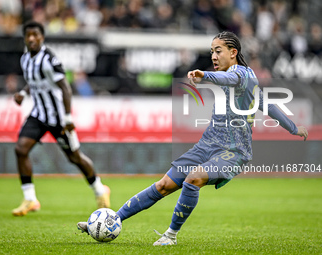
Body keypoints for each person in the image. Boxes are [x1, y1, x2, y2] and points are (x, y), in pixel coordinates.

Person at [77, 31, 308, 245]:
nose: (214, 56)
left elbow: (238, 85)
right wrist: (293, 127)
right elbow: (264, 103)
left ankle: (171, 235)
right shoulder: (233, 77)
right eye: (212, 52)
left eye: (218, 51)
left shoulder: (242, 75)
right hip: (207, 145)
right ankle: (108, 222)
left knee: (193, 178)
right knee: (164, 185)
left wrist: (204, 75)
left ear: (233, 52)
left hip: (234, 151)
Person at [12, 20, 110, 216]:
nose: (32, 38)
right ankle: (30, 199)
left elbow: (65, 87)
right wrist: (23, 92)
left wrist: (67, 118)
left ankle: (100, 189)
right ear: (25, 38)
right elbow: (34, 80)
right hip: (38, 114)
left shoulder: (49, 59)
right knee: (20, 149)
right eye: (28, 35)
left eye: (35, 35)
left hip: (58, 118)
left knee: (75, 157)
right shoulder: (25, 59)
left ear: (42, 37)